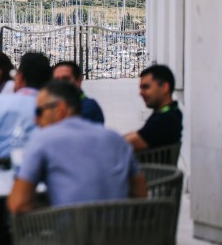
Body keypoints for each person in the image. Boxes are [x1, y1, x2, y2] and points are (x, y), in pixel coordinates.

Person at [8, 81, 147, 213]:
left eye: (39, 111)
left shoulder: (43, 140)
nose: (35, 119)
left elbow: (18, 203)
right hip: (122, 228)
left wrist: (48, 211)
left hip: (69, 229)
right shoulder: (115, 138)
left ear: (60, 109)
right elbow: (141, 194)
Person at [124, 64, 183, 150]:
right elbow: (139, 135)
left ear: (164, 87)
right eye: (141, 88)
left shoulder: (165, 119)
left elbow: (128, 143)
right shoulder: (170, 111)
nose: (141, 93)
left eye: (146, 87)